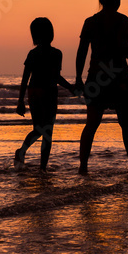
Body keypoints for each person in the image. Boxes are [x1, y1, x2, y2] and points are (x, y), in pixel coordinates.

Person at [74, 0, 128, 173]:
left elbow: (81, 52)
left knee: (91, 125)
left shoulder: (90, 22)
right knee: (126, 126)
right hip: (119, 80)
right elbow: (122, 48)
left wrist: (78, 78)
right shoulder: (122, 20)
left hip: (96, 80)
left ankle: (83, 167)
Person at [15, 17, 75, 171]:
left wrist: (21, 100)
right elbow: (56, 77)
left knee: (38, 129)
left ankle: (22, 151)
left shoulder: (32, 53)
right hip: (47, 93)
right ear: (51, 33)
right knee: (47, 132)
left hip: (34, 92)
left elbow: (25, 78)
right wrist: (70, 87)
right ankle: (42, 168)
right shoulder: (56, 53)